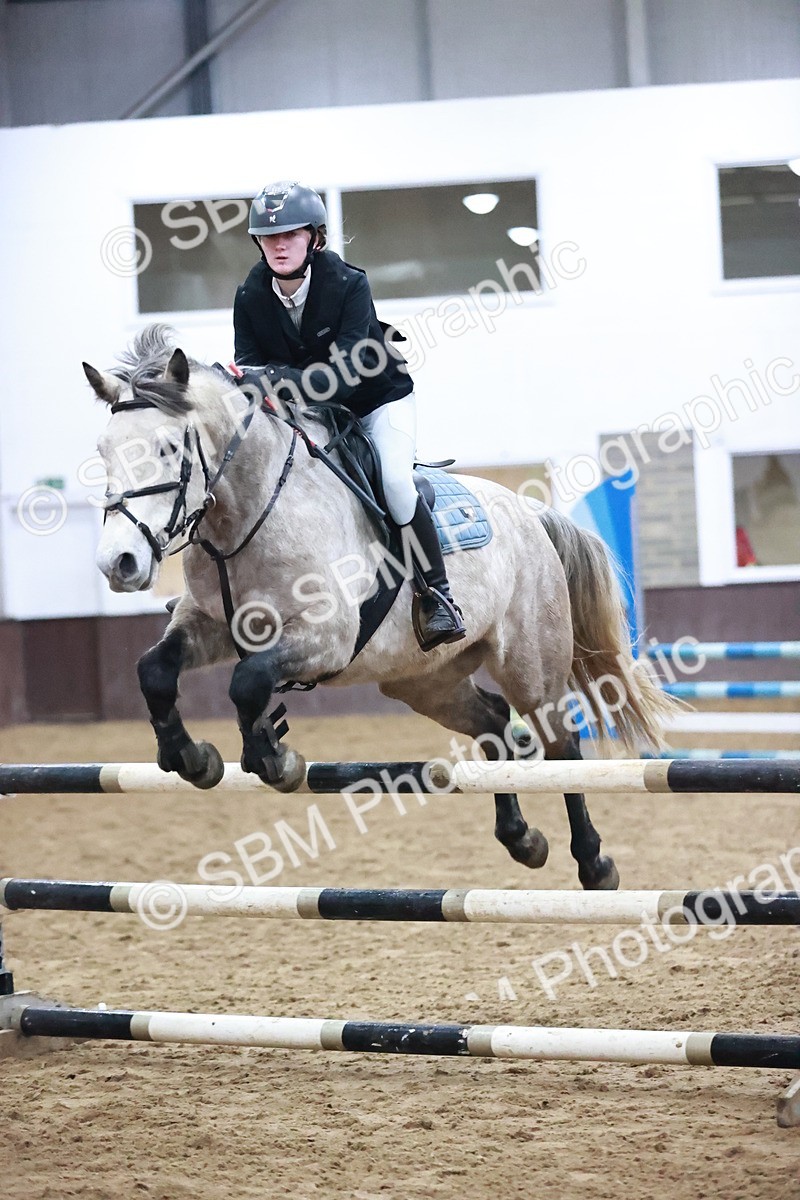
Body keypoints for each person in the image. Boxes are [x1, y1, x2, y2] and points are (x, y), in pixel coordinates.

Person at [233, 180, 466, 651]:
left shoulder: (349, 284)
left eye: (291, 234)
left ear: (314, 238)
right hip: (309, 411)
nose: (279, 245)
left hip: (376, 401)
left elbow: (338, 378)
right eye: (269, 236)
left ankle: (438, 595)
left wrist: (272, 376)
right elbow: (248, 375)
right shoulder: (249, 296)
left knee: (398, 484)